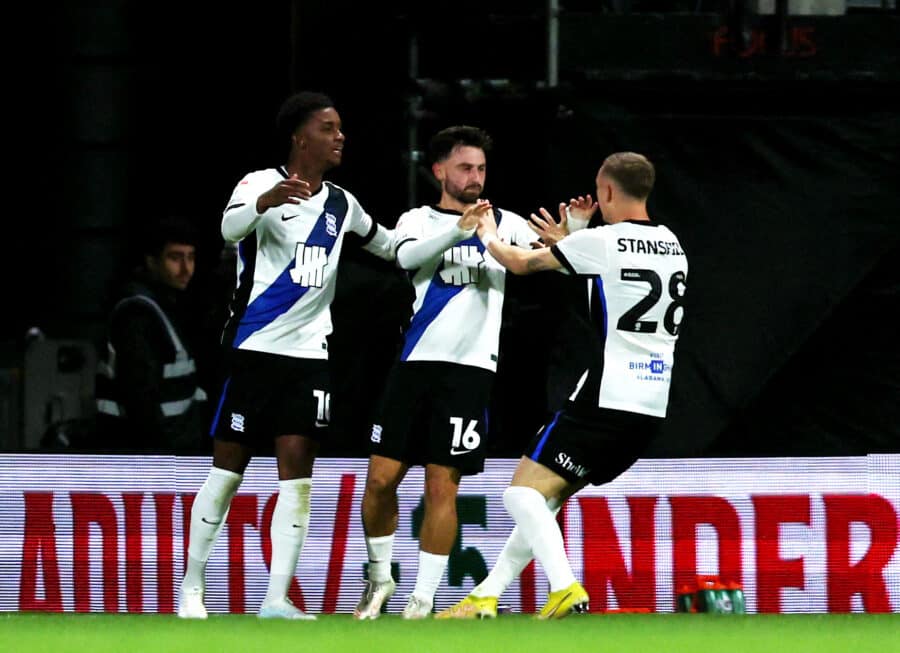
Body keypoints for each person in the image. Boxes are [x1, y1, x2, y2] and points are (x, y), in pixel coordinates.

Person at [437, 151, 688, 619]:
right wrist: (573, 239)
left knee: (521, 494)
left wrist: (486, 231)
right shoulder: (673, 244)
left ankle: (565, 587)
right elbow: (614, 283)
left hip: (603, 396)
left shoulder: (606, 241)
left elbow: (518, 263)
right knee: (546, 498)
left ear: (608, 191)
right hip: (651, 404)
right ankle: (485, 597)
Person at [177, 91, 395, 620]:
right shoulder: (257, 182)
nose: (340, 136)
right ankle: (191, 588)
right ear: (301, 137)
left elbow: (388, 246)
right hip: (255, 349)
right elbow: (228, 230)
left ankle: (275, 598)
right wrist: (265, 204)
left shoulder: (344, 204)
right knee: (227, 469)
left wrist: (450, 234)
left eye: (341, 127)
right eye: (328, 127)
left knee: (298, 476)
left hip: (311, 357)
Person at [354, 125, 563, 620]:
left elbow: (541, 258)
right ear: (439, 171)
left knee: (441, 485)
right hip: (414, 365)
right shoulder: (418, 219)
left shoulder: (504, 222)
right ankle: (380, 579)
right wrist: (457, 230)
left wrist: (569, 234)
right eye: (466, 168)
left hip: (469, 374)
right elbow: (405, 257)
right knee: (380, 480)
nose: (475, 177)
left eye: (482, 169)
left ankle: (422, 600)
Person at [95, 217, 209, 452]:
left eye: (191, 257)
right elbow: (141, 400)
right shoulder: (138, 313)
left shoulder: (165, 307)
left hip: (166, 453)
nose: (186, 268)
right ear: (151, 261)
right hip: (148, 457)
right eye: (175, 257)